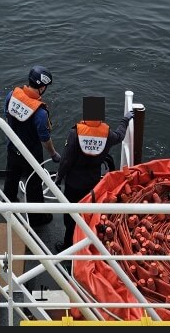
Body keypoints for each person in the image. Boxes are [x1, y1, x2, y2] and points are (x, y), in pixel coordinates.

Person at [55, 97, 133, 251]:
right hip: (92, 183)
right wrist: (125, 120)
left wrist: (58, 178)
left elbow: (65, 161)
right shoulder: (107, 134)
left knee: (71, 215)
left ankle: (68, 245)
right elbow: (120, 136)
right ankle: (87, 244)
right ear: (101, 116)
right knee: (89, 214)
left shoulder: (75, 133)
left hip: (73, 183)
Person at [3, 64, 60, 228]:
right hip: (31, 154)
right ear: (42, 87)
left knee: (11, 178)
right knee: (34, 185)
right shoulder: (40, 113)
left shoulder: (11, 96)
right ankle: (36, 218)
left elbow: (7, 115)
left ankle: (8, 205)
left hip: (13, 148)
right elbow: (45, 138)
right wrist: (54, 154)